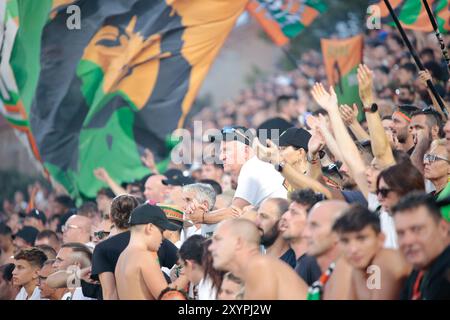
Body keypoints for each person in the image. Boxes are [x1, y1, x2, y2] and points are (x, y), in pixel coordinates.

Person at [209, 218, 308, 299]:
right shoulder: (256, 267)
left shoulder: (259, 266)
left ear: (238, 242)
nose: (210, 247)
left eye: (218, 240)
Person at [332, 205, 411, 299]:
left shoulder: (384, 260)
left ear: (381, 239)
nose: (353, 249)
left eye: (361, 238)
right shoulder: (358, 268)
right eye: (345, 241)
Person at [115, 204, 181, 300]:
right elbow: (168, 298)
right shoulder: (145, 256)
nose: (163, 238)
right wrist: (186, 275)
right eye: (161, 231)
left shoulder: (122, 257)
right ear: (150, 227)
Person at [392, 192, 450, 300]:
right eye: (401, 233)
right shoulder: (420, 270)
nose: (407, 241)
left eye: (417, 230)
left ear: (443, 228)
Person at [91, 194, 140, 300]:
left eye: (101, 234)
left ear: (111, 217)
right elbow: (181, 264)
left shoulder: (102, 249)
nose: (96, 238)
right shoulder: (155, 240)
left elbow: (110, 293)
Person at [302, 200, 353, 300]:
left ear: (339, 232)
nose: (305, 234)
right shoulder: (324, 280)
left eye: (314, 225)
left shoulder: (350, 275)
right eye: (307, 225)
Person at [281, 189, 322, 285]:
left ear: (311, 223)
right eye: (288, 211)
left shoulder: (313, 264)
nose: (284, 216)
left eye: (294, 212)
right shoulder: (303, 264)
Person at [255, 198, 296, 268]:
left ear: (283, 224)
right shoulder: (256, 259)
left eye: (264, 217)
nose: (256, 222)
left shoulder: (292, 267)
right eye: (257, 215)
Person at [178, 235, 220, 300]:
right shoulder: (216, 278)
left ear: (189, 264)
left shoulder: (206, 289)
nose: (182, 271)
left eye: (183, 266)